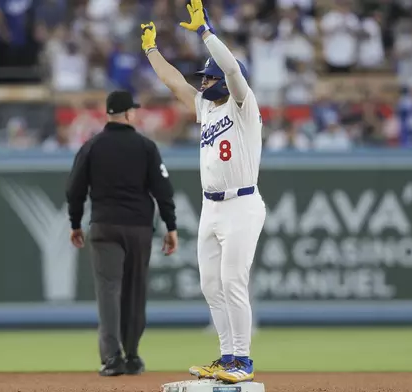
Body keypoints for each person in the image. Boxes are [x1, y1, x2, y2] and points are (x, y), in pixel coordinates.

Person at [141, 0, 266, 383]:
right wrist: (151, 51)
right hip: (211, 207)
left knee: (232, 281)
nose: (205, 82)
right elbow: (173, 81)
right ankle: (226, 356)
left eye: (209, 79)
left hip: (242, 202)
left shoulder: (244, 105)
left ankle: (242, 360)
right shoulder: (206, 108)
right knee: (210, 284)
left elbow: (230, 67)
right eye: (205, 79)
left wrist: (205, 33)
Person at [65, 90, 179, 377]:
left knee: (108, 292)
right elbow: (163, 190)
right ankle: (132, 356)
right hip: (139, 227)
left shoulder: (92, 146)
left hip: (104, 226)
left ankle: (112, 358)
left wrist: (75, 222)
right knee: (135, 292)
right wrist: (171, 225)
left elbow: (74, 189)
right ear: (128, 114)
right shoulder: (146, 147)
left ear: (109, 115)